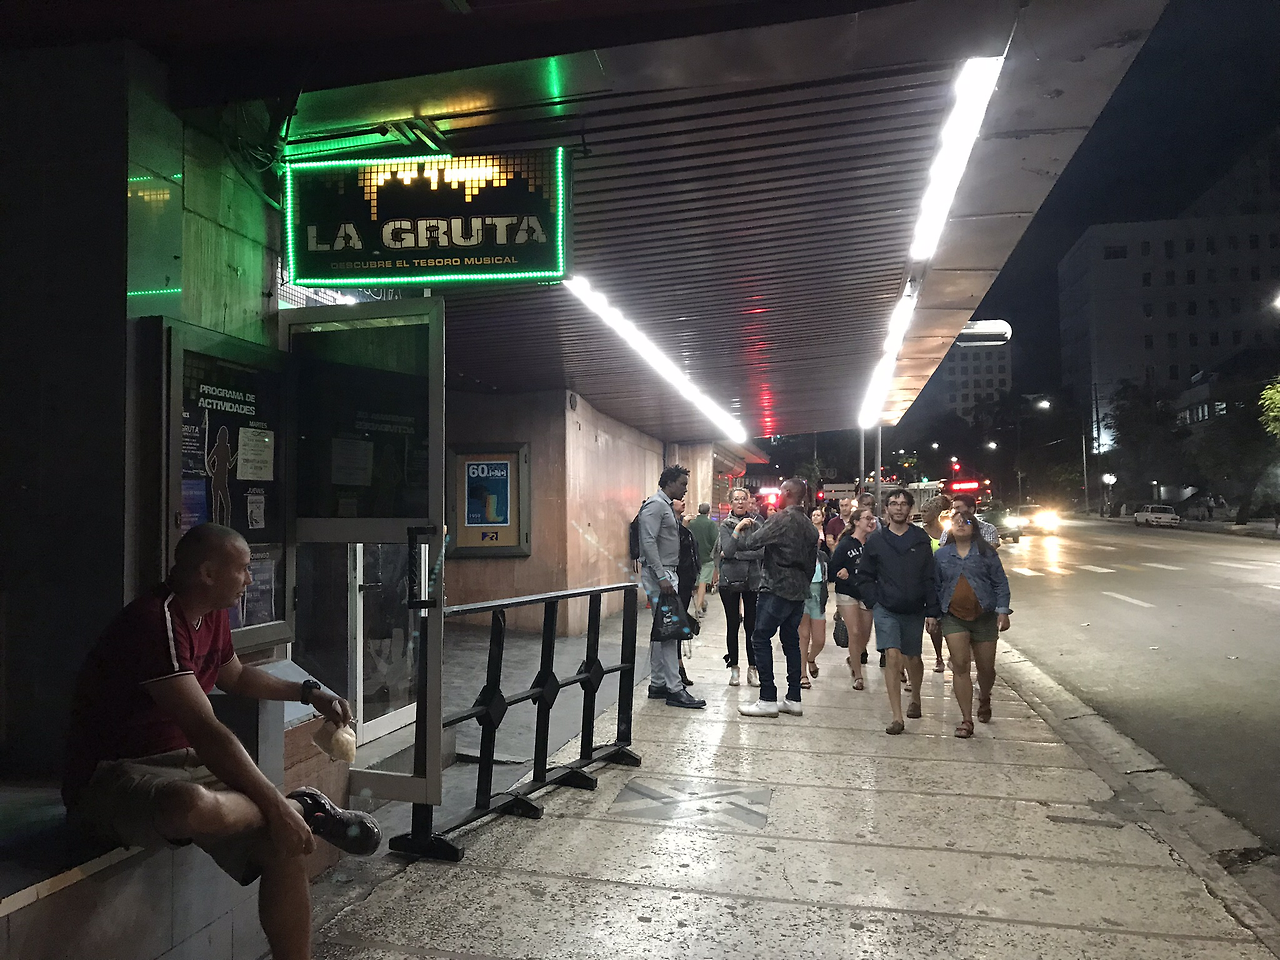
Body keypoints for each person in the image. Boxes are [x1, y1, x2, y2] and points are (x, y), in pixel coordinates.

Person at [61, 524, 381, 960]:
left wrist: (310, 693)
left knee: (282, 846)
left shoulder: (211, 615)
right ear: (208, 573)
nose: (250, 578)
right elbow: (206, 730)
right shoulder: (156, 621)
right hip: (113, 775)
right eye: (243, 569)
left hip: (186, 762)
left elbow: (238, 677)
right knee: (191, 806)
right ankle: (300, 808)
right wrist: (274, 807)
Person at [723, 478, 817, 718]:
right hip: (799, 590)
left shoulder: (781, 519)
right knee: (791, 641)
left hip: (776, 586)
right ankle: (793, 698)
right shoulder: (809, 525)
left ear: (788, 493)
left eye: (781, 492)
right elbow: (811, 563)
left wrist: (739, 530)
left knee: (760, 637)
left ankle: (767, 698)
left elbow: (751, 542)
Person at [854, 488, 941, 735]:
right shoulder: (876, 540)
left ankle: (916, 697)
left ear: (910, 509)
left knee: (912, 657)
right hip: (886, 608)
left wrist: (932, 611)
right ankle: (897, 716)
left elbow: (929, 577)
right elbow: (865, 575)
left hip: (914, 608)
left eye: (903, 504)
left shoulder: (920, 539)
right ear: (886, 509)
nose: (899, 508)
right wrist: (874, 600)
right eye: (894, 503)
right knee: (892, 655)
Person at [935, 513, 1012, 738]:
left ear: (974, 527)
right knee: (960, 665)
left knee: (986, 668)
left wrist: (1003, 611)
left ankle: (984, 696)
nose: (960, 524)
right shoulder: (941, 555)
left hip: (984, 616)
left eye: (966, 521)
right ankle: (966, 720)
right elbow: (935, 585)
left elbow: (1000, 583)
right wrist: (932, 614)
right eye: (956, 522)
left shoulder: (987, 553)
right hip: (952, 616)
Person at [637, 466, 706, 709]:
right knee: (669, 630)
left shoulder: (663, 505)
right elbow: (647, 541)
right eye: (682, 484)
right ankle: (674, 689)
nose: (685, 489)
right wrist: (661, 576)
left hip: (665, 572)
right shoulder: (656, 505)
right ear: (669, 483)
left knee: (662, 629)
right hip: (662, 573)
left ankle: (658, 683)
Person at [715, 488, 763, 687]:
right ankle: (734, 667)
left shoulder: (757, 524)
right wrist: (738, 530)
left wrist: (737, 555)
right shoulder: (725, 525)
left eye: (744, 499)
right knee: (732, 623)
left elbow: (761, 551)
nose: (740, 502)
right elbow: (726, 550)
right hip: (729, 581)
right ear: (731, 503)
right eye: (736, 499)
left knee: (751, 625)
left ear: (749, 502)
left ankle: (753, 668)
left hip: (752, 580)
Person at [829, 506, 876, 690]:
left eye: (872, 518)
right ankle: (858, 675)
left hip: (867, 592)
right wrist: (842, 573)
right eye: (867, 518)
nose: (871, 522)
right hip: (847, 591)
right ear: (857, 522)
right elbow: (833, 568)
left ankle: (853, 657)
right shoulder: (846, 544)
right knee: (854, 632)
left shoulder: (874, 543)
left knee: (865, 635)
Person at [919, 494, 953, 673]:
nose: (923, 514)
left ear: (936, 513)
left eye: (926, 511)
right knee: (933, 624)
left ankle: (953, 653)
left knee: (949, 621)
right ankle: (939, 657)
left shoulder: (948, 533)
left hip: (947, 582)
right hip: (929, 582)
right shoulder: (920, 533)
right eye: (922, 511)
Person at [799, 507, 830, 688]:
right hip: (802, 598)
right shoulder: (800, 557)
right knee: (803, 637)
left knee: (819, 640)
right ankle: (802, 674)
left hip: (818, 600)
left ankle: (811, 658)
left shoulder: (823, 557)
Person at [672, 496, 700, 688]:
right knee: (674, 626)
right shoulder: (672, 527)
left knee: (679, 625)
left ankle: (678, 666)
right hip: (676, 582)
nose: (683, 501)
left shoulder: (682, 526)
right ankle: (677, 667)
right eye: (678, 499)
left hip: (685, 582)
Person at [689, 502, 719, 617]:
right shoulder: (711, 524)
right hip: (707, 557)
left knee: (698, 583)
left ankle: (702, 603)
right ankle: (698, 608)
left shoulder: (692, 523)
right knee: (703, 583)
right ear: (709, 511)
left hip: (694, 558)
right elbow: (716, 541)